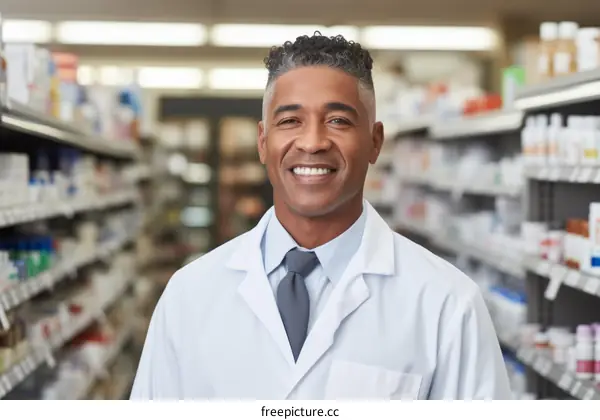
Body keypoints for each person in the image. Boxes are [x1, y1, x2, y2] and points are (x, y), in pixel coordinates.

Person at [130, 32, 512, 400]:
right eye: (290, 121)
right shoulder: (189, 296)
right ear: (264, 143)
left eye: (338, 121)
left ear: (375, 142)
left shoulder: (447, 303)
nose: (312, 142)